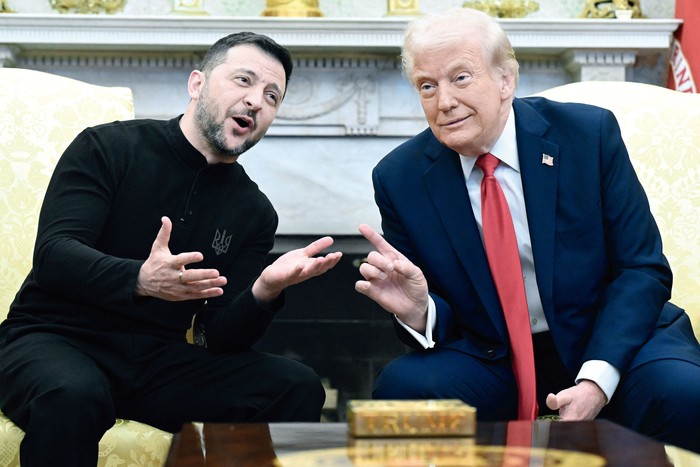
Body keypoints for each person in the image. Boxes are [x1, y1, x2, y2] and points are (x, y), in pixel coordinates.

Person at [354, 7, 700, 452]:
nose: (444, 101)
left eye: (461, 78)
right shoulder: (399, 178)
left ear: (505, 80)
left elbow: (642, 269)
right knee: (403, 394)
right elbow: (434, 309)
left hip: (612, 336)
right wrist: (420, 311)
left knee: (686, 396)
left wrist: (597, 380)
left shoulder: (587, 135)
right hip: (493, 353)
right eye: (427, 85)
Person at [0, 32, 342, 466]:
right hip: (52, 339)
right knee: (75, 393)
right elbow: (54, 256)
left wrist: (264, 291)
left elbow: (219, 337)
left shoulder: (254, 212)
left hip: (153, 363)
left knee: (297, 385)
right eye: (243, 81)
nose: (256, 101)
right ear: (197, 84)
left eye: (272, 96)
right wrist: (140, 279)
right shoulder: (108, 147)